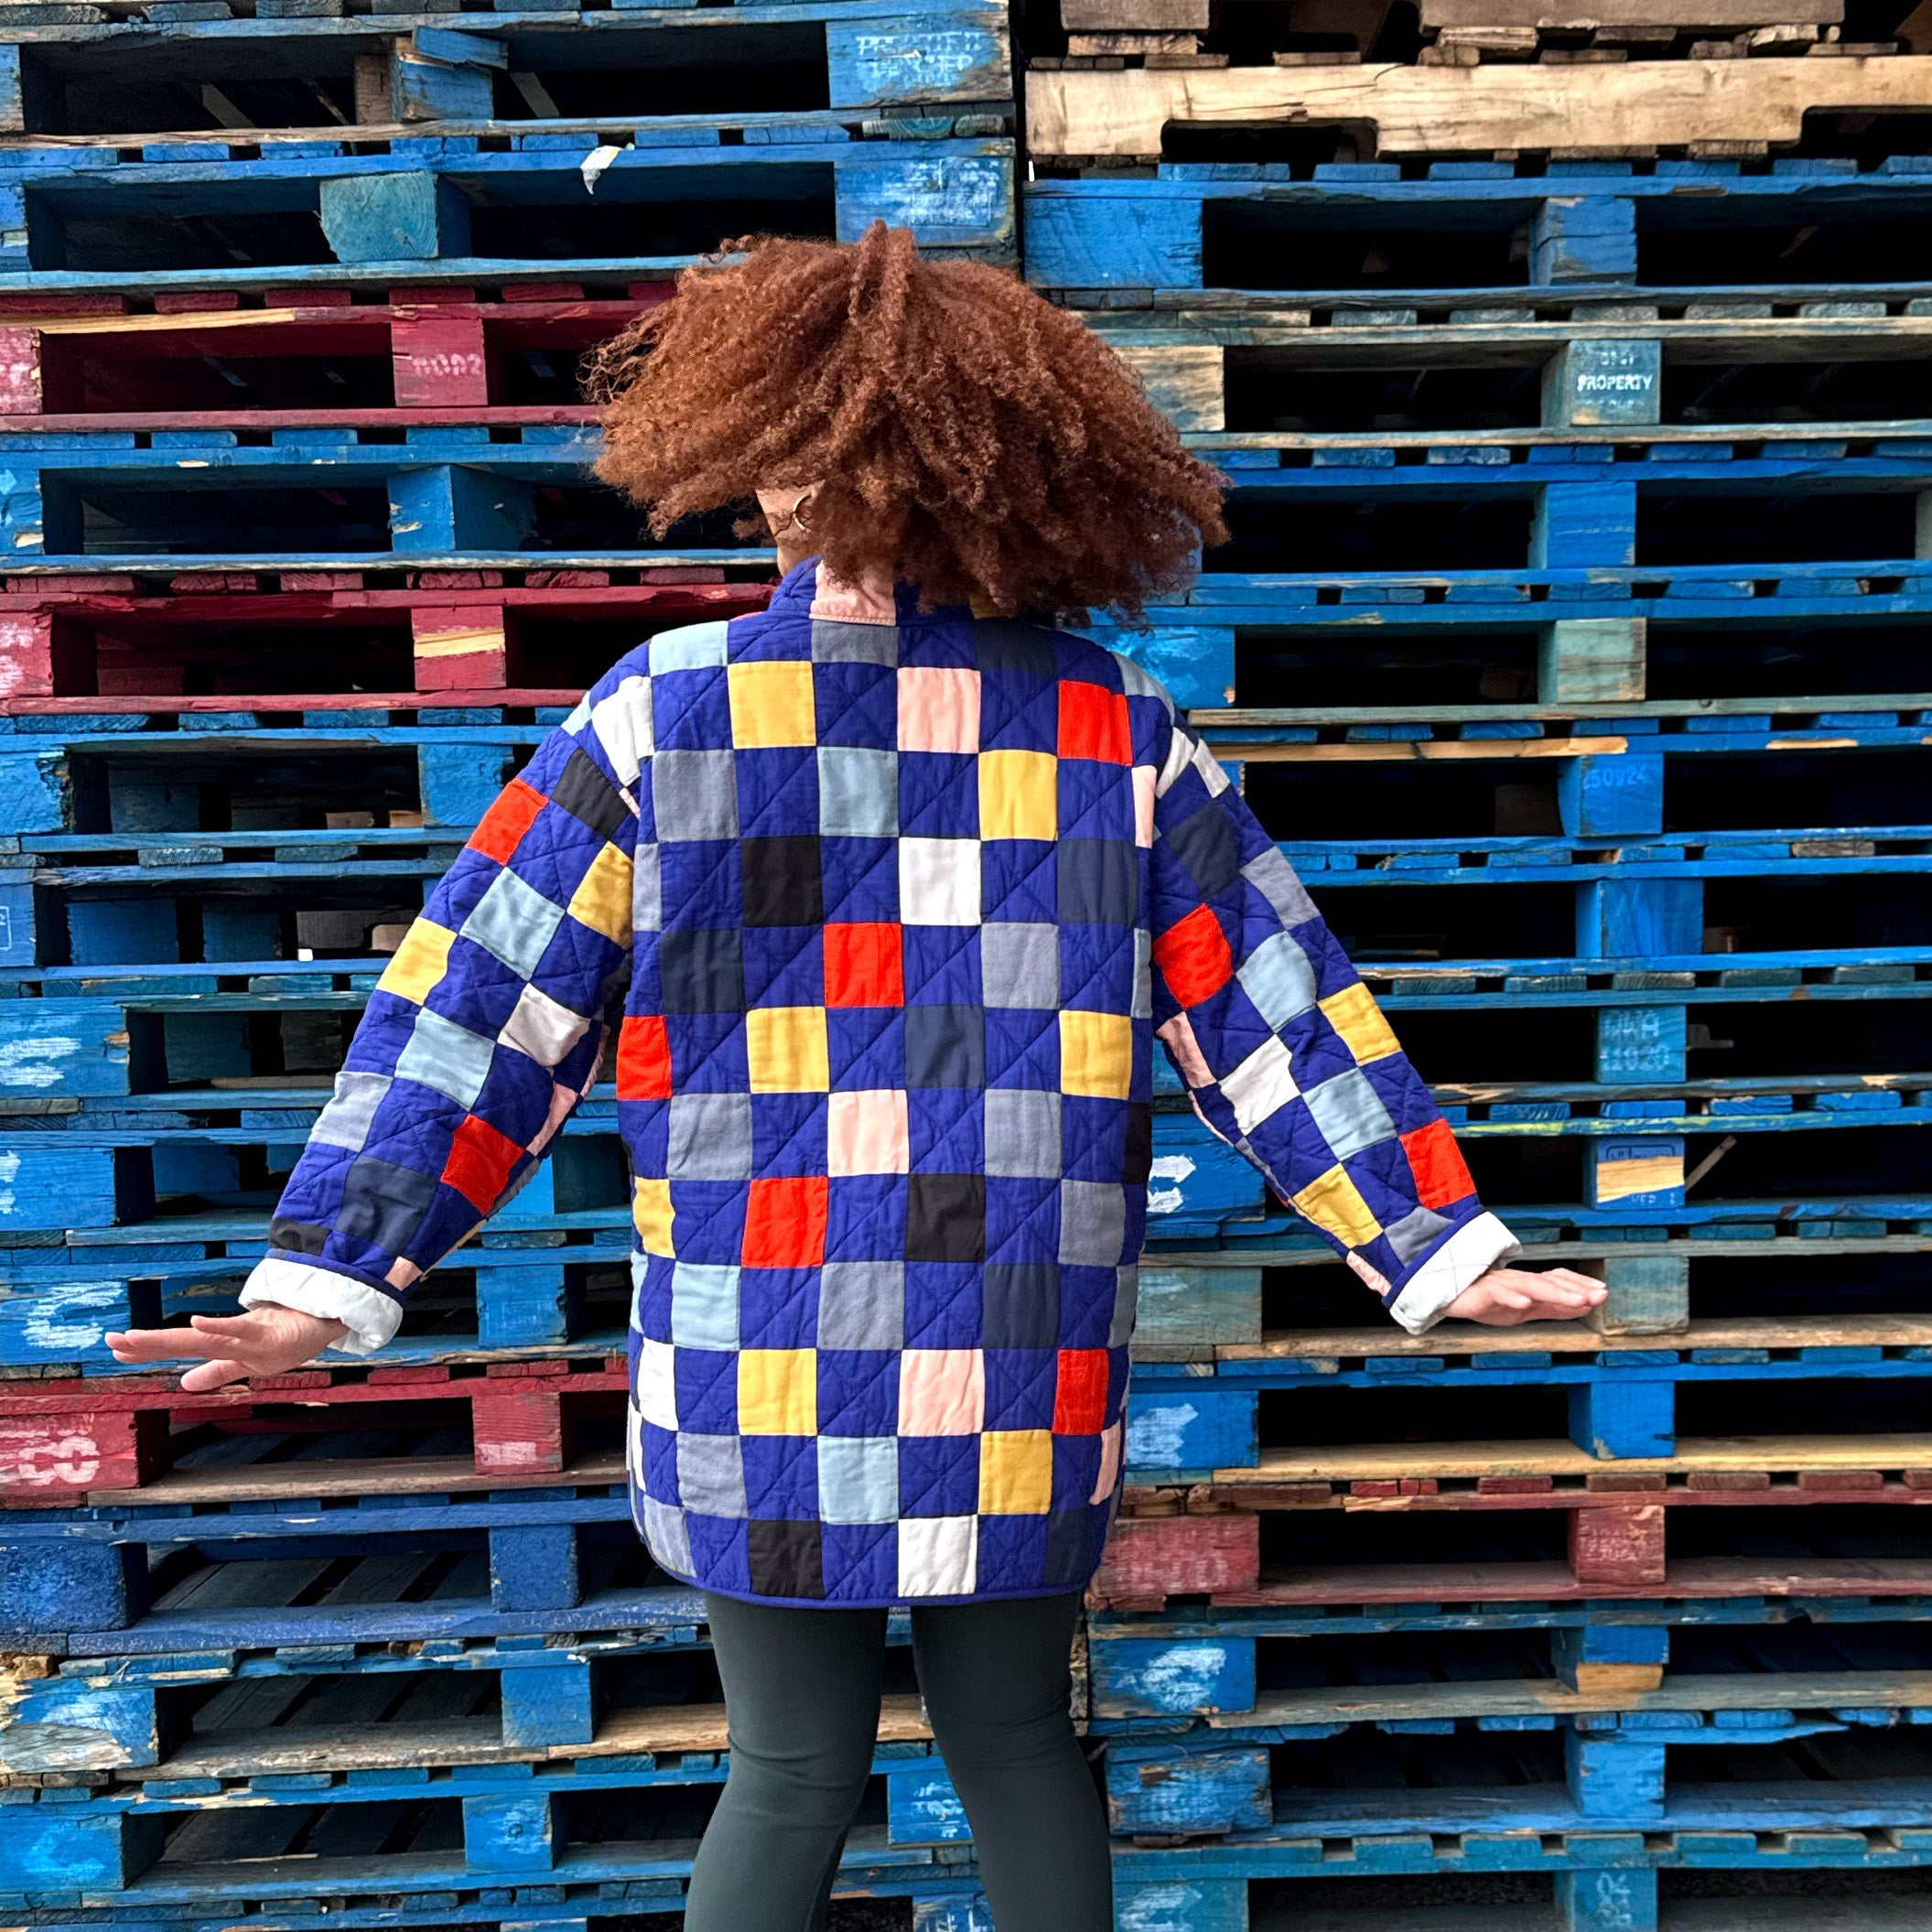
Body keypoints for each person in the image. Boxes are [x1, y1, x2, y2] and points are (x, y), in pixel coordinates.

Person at [108, 221, 1605, 1932]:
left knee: (790, 1769)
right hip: (1020, 1345)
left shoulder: (658, 716)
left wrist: (330, 1273)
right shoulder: (1119, 735)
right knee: (1020, 1742)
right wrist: (1444, 1243)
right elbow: (1276, 1015)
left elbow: (476, 1017)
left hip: (758, 1342)